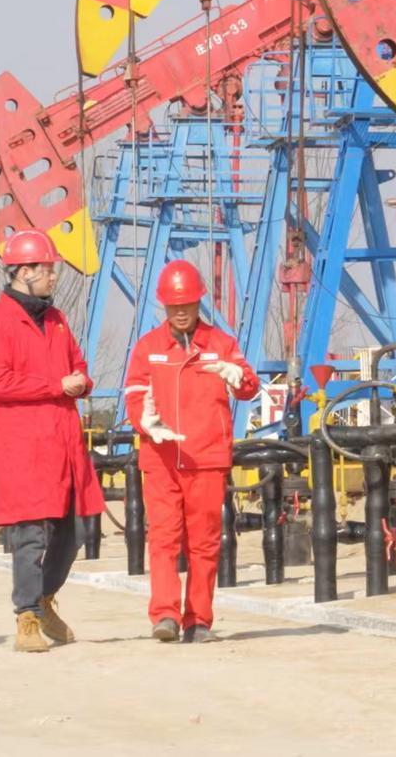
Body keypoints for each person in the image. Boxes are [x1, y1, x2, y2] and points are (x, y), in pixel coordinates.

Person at [0, 229, 103, 653]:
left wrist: (81, 381)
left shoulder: (57, 320)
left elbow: (78, 365)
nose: (53, 276)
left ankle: (46, 598)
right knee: (31, 534)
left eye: (53, 268)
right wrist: (56, 385)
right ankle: (27, 616)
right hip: (25, 445)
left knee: (76, 528)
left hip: (63, 442)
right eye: (47, 268)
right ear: (23, 271)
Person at [123, 259, 260, 644]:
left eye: (187, 305)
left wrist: (240, 377)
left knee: (204, 542)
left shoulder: (221, 344)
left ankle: (198, 620)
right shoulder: (148, 348)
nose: (181, 312)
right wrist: (144, 421)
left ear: (199, 302)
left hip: (206, 458)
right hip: (162, 460)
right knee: (163, 538)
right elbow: (134, 394)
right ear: (164, 306)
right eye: (173, 306)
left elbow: (248, 387)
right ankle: (165, 616)